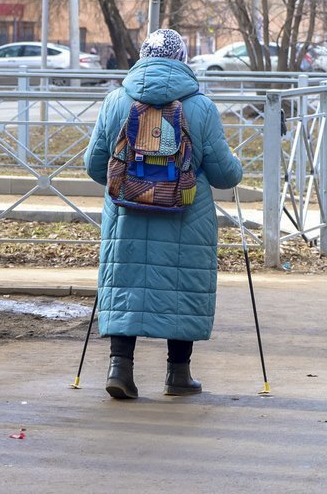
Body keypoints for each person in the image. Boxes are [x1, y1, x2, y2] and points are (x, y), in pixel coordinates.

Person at [84, 28, 243, 400]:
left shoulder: (116, 101)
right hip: (186, 214)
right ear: (182, 60)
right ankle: (178, 375)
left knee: (124, 285)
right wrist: (236, 164)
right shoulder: (200, 106)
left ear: (142, 57)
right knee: (182, 287)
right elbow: (224, 175)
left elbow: (94, 165)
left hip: (126, 212)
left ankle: (119, 368)